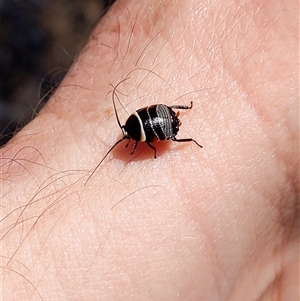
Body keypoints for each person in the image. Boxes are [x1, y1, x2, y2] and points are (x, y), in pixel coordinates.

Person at [1, 1, 298, 300]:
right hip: (157, 121)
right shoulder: (135, 127)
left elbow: (149, 135)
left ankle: (186, 136)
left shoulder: (139, 136)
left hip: (158, 124)